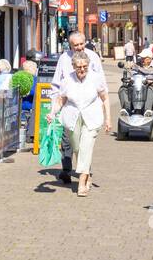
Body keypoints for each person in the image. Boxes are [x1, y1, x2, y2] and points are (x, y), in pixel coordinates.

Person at [47, 53, 110, 197]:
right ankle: (86, 173)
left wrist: (108, 120)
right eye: (79, 67)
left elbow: (105, 98)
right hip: (72, 118)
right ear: (73, 66)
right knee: (77, 149)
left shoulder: (95, 78)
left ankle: (81, 184)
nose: (82, 69)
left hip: (92, 118)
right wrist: (53, 113)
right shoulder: (67, 79)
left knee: (85, 148)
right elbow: (61, 100)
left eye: (85, 67)